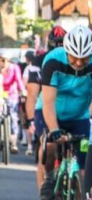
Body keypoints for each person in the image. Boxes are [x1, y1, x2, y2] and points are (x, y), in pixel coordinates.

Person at [36, 25, 92, 200]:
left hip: (79, 116)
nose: (78, 62)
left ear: (91, 54)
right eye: (73, 57)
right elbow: (49, 102)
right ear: (66, 51)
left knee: (84, 164)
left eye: (84, 58)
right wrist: (54, 130)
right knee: (50, 147)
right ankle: (47, 191)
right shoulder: (52, 59)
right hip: (51, 113)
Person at [28, 27, 66, 176]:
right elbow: (32, 93)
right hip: (45, 107)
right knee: (48, 147)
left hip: (70, 109)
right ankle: (46, 187)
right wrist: (32, 119)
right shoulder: (39, 61)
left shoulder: (77, 58)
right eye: (57, 44)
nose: (59, 48)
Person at [1, 51, 25, 154]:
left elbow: (19, 81)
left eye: (4, 60)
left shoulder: (14, 68)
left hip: (12, 94)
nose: (2, 62)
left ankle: (14, 143)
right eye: (1, 60)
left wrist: (23, 91)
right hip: (0, 94)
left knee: (14, 117)